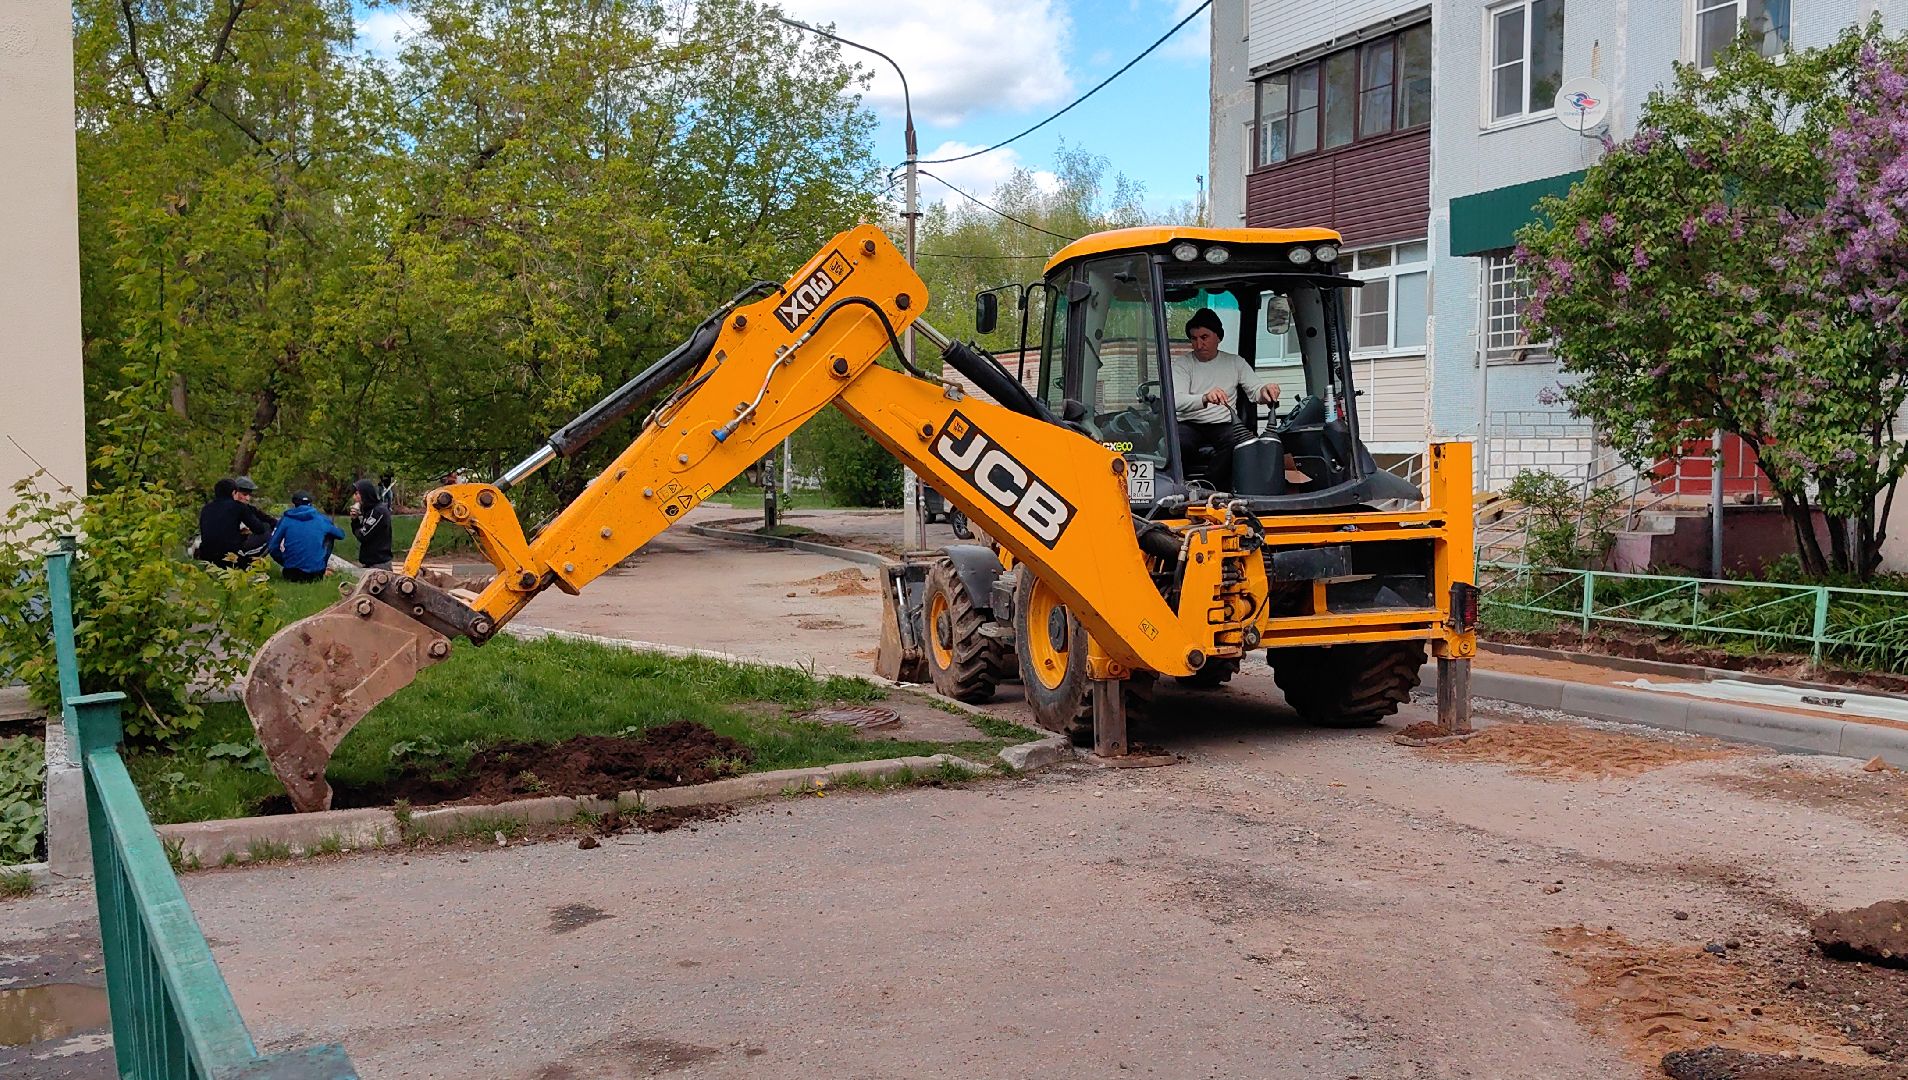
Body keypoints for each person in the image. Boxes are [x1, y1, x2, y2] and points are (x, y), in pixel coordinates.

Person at [1171, 308, 1281, 491]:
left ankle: (1207, 487)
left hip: (1223, 424)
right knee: (1177, 443)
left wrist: (1266, 390)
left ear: (1218, 337)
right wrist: (1205, 398)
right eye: (1194, 338)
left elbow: (1256, 391)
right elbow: (1176, 401)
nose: (1199, 344)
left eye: (1204, 337)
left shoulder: (1235, 362)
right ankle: (1180, 486)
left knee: (1240, 442)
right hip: (1189, 424)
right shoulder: (1183, 364)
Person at [196, 476, 278, 569]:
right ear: (234, 492)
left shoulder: (206, 508)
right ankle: (247, 563)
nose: (247, 498)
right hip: (230, 556)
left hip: (207, 555)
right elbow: (259, 529)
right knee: (266, 529)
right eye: (244, 494)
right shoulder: (238, 507)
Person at [266, 491, 345, 582]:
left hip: (290, 573)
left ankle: (292, 564)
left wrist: (283, 561)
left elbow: (272, 546)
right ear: (310, 503)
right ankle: (320, 566)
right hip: (315, 575)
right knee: (330, 536)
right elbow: (341, 535)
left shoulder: (286, 519)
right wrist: (334, 527)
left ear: (294, 503)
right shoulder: (321, 519)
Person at [350, 477, 394, 570]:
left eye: (357, 494)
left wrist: (356, 522)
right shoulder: (369, 511)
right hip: (369, 562)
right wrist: (355, 520)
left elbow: (363, 535)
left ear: (365, 494)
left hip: (379, 564)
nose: (354, 497)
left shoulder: (378, 512)